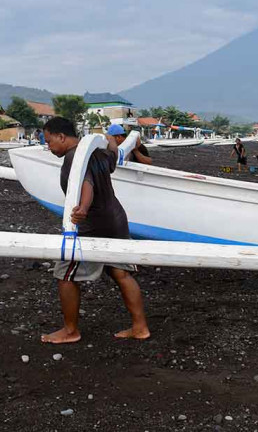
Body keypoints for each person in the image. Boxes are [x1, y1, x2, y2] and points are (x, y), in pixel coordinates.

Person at [41, 117, 150, 344]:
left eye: (49, 141)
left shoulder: (74, 158)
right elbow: (113, 152)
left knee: (65, 275)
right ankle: (140, 327)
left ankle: (71, 331)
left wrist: (83, 208)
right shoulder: (98, 151)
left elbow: (86, 185)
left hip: (92, 225)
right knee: (121, 273)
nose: (48, 147)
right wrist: (109, 139)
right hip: (116, 219)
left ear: (62, 137)